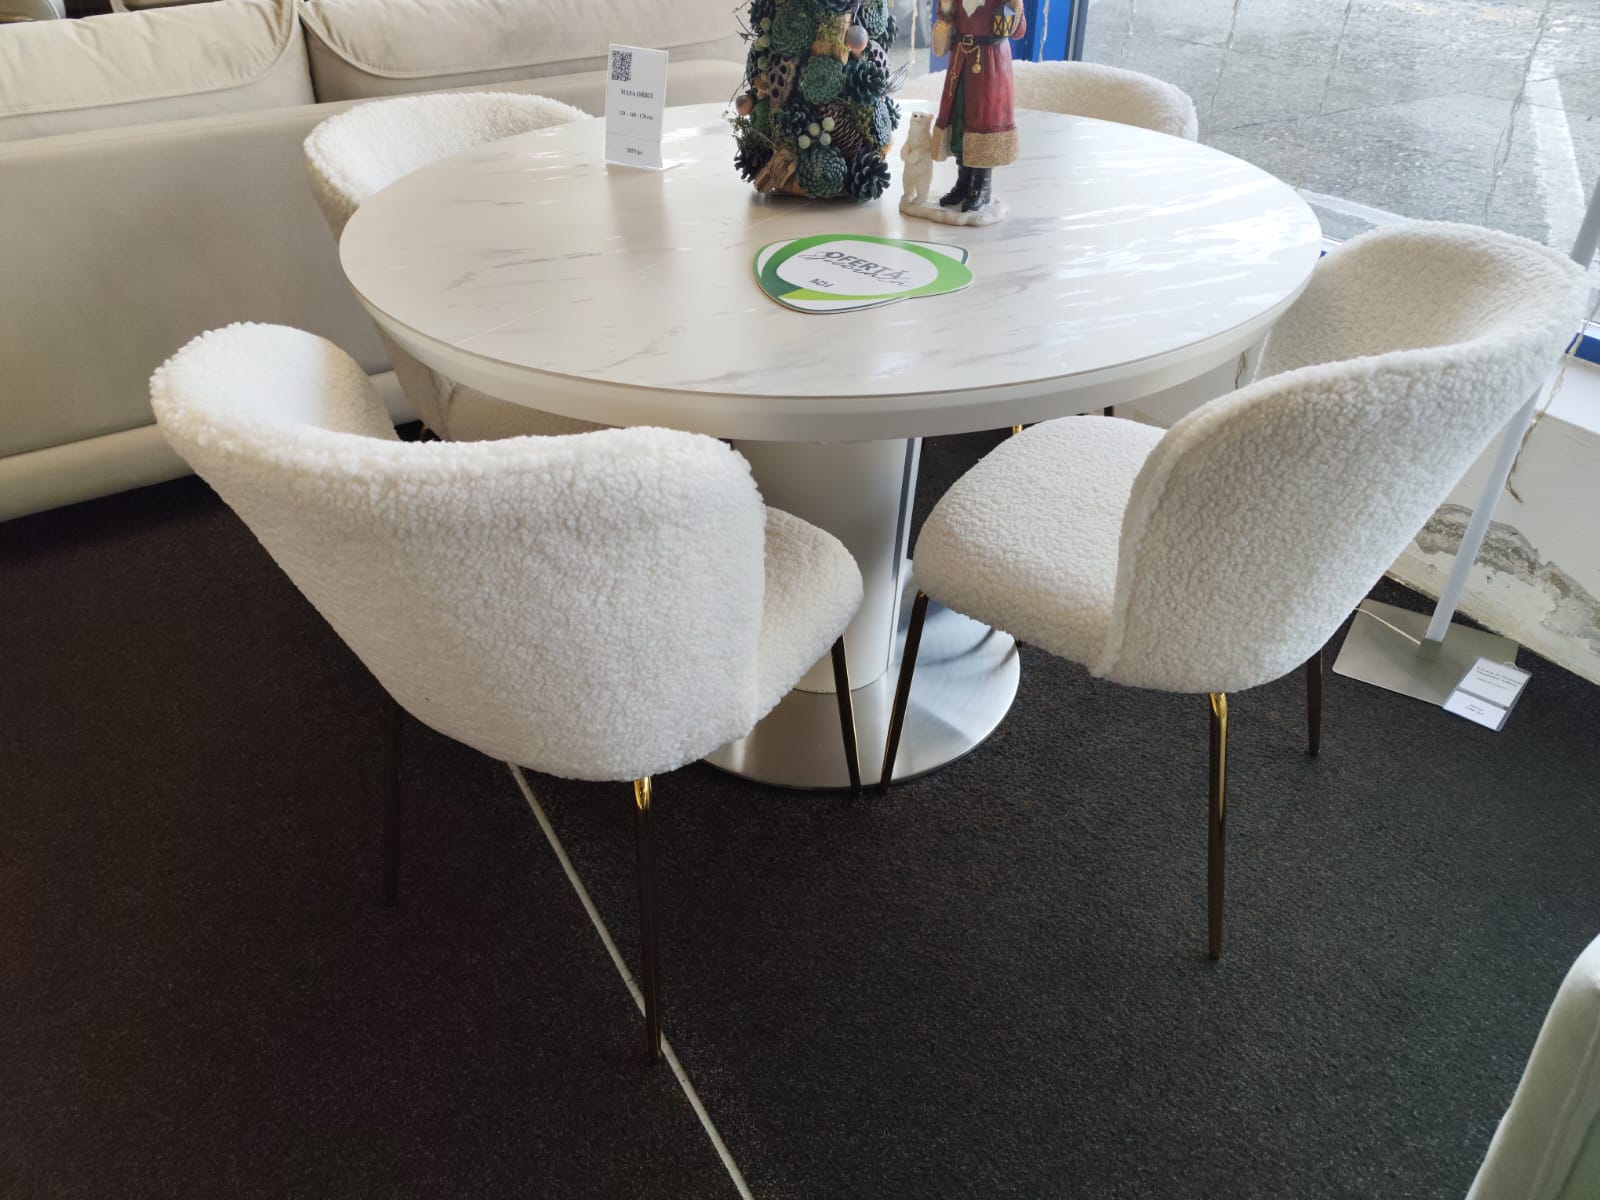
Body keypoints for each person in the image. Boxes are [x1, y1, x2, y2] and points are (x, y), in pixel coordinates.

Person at [930, 0, 1025, 213]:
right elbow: (947, 17)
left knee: (984, 120)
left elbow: (1018, 31)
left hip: (990, 62)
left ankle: (982, 185)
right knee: (959, 118)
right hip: (961, 59)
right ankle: (963, 183)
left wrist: (1016, 6)